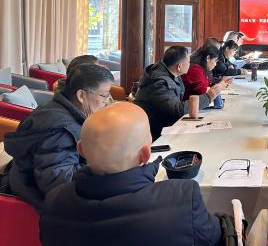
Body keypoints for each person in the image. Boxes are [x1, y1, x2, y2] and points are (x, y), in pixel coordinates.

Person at [39, 102, 222, 246]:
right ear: (145, 154)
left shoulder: (54, 201)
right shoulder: (183, 197)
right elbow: (214, 236)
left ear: (81, 150)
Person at [3, 64, 114, 210]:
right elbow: (59, 185)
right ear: (81, 95)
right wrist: (104, 169)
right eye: (104, 96)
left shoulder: (53, 107)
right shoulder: (61, 132)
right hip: (36, 204)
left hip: (22, 182)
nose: (107, 102)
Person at [134, 46, 191, 140]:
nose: (190, 65)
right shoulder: (159, 82)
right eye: (188, 62)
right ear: (179, 66)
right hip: (154, 132)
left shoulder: (171, 73)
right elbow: (178, 111)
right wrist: (209, 96)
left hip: (164, 125)